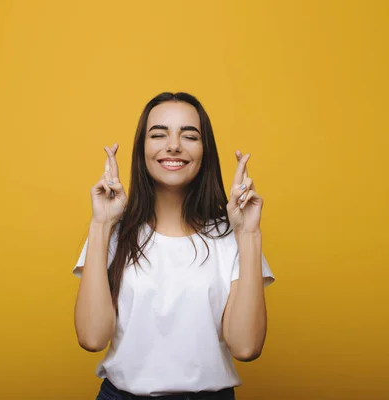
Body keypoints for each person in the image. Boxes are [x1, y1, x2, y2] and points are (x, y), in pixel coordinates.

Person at [73, 92, 274, 399]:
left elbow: (246, 347)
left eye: (189, 135)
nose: (173, 145)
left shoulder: (232, 235)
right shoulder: (111, 231)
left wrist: (249, 234)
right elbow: (91, 337)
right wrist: (100, 224)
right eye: (159, 134)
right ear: (142, 150)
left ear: (205, 151)